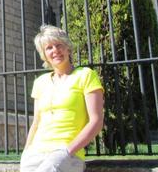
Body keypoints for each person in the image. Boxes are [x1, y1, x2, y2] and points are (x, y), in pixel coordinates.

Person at [20, 25, 104, 172]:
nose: (55, 51)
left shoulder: (86, 75)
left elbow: (96, 121)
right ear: (44, 54)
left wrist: (67, 151)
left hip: (67, 153)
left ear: (68, 48)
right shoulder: (40, 82)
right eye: (49, 48)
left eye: (59, 45)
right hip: (35, 153)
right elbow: (36, 122)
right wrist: (26, 152)